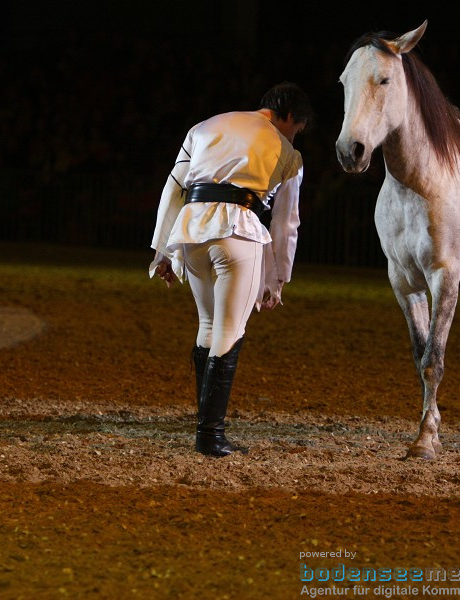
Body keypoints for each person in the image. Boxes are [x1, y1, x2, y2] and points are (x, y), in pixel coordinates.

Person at [149, 82, 313, 457]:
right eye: (297, 129)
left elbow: (172, 188)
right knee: (227, 330)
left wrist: (161, 251)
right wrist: (279, 278)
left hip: (190, 233)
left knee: (208, 327)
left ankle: (205, 427)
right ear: (289, 116)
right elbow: (286, 223)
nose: (294, 136)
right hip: (238, 230)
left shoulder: (204, 127)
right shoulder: (287, 153)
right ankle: (210, 436)